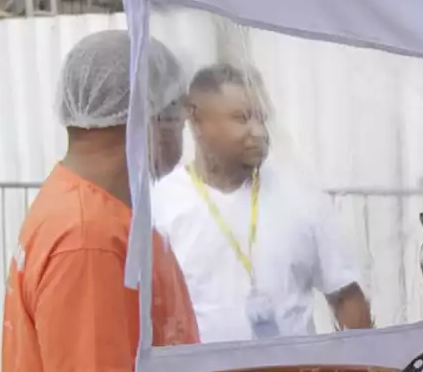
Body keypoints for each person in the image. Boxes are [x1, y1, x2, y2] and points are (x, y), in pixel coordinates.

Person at [1, 30, 199, 372]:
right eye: (176, 113)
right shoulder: (87, 235)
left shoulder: (104, 213)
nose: (179, 129)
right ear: (148, 117)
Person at [152, 63, 372, 342]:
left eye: (262, 119)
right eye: (242, 118)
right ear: (195, 120)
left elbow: (346, 297)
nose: (258, 132)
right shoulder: (161, 204)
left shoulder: (301, 196)